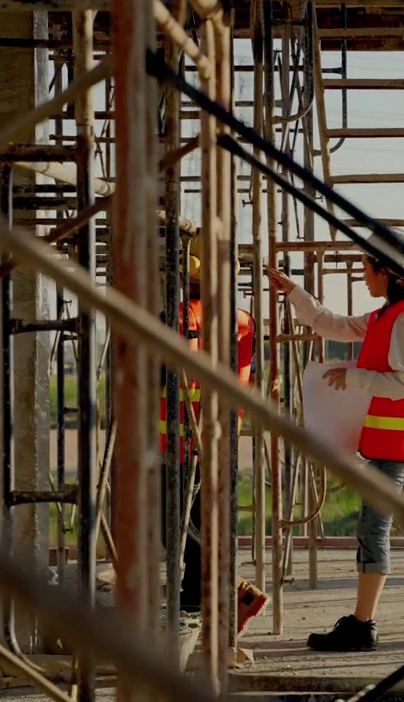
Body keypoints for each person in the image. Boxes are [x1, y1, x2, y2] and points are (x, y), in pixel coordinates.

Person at [265, 228, 404, 652]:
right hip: (399, 445)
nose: (363, 274)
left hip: (395, 448)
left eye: (365, 266)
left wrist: (355, 377)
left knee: (372, 529)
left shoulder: (403, 320)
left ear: (384, 269)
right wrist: (294, 292)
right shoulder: (386, 316)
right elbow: (331, 324)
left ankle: (361, 625)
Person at [161, 233, 268, 633]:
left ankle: (215, 595)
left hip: (183, 436)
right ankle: (218, 594)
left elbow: (159, 371)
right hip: (220, 436)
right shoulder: (242, 319)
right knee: (198, 522)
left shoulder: (183, 316)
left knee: (174, 523)